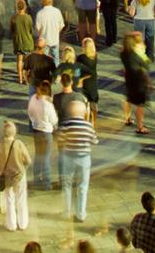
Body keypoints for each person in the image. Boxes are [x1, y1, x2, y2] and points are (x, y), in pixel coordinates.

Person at [57, 92, 97, 221]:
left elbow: (60, 140)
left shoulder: (66, 125)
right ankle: (81, 214)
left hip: (68, 157)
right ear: (83, 112)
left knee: (67, 185)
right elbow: (94, 141)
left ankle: (66, 212)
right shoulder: (88, 126)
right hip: (84, 158)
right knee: (83, 186)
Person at [0, 121, 31, 232]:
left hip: (7, 176)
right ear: (14, 132)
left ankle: (11, 225)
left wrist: (0, 171)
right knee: (21, 199)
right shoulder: (19, 144)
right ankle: (23, 223)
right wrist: (23, 168)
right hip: (19, 175)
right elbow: (28, 160)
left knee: (9, 200)